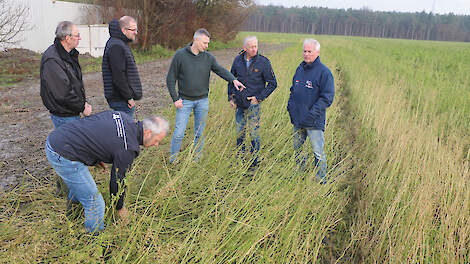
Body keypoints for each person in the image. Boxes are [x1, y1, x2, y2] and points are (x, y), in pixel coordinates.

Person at [45, 111, 169, 234]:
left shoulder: (122, 116)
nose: (156, 145)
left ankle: (72, 216)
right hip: (62, 153)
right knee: (95, 203)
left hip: (59, 137)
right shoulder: (128, 148)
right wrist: (119, 208)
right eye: (157, 140)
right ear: (148, 133)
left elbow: (96, 127)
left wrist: (97, 156)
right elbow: (117, 181)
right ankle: (95, 243)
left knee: (81, 187)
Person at [166, 28, 245, 162]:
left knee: (199, 133)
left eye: (208, 43)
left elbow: (220, 70)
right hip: (184, 101)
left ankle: (197, 159)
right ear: (195, 40)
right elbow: (170, 79)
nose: (207, 46)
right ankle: (173, 159)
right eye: (204, 43)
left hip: (202, 101)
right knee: (179, 133)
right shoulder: (180, 56)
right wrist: (175, 99)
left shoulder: (208, 57)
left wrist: (234, 80)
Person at [287, 39, 335, 182]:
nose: (306, 54)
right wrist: (290, 107)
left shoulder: (324, 73)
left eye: (309, 51)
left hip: (314, 122)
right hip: (297, 119)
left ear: (317, 52)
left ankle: (320, 180)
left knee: (318, 153)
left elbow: (327, 98)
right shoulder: (300, 69)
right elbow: (293, 90)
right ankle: (300, 177)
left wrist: (311, 114)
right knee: (298, 150)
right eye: (304, 51)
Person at [228, 36, 277, 169]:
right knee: (240, 132)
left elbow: (273, 83)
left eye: (256, 46)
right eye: (251, 47)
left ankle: (254, 161)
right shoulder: (238, 60)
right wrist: (231, 98)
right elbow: (231, 79)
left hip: (253, 105)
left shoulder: (263, 62)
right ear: (245, 48)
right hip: (239, 104)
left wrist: (259, 98)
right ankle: (241, 158)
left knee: (254, 133)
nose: (254, 49)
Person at [40, 21, 92, 128]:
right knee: (71, 143)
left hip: (72, 111)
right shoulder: (53, 60)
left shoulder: (69, 55)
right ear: (67, 38)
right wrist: (82, 107)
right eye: (77, 35)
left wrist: (83, 102)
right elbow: (63, 93)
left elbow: (75, 83)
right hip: (64, 115)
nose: (80, 38)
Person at [102, 16, 142, 118]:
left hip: (121, 99)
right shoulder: (116, 46)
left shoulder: (119, 43)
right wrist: (128, 98)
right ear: (124, 30)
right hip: (121, 100)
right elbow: (118, 76)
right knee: (125, 131)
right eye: (133, 30)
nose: (136, 32)